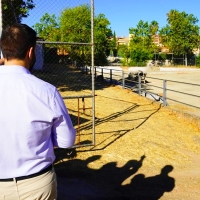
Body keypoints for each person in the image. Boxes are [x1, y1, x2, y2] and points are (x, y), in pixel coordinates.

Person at [0, 23, 76, 199]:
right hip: (36, 184)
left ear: (3, 52)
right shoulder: (47, 91)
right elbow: (67, 140)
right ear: (30, 52)